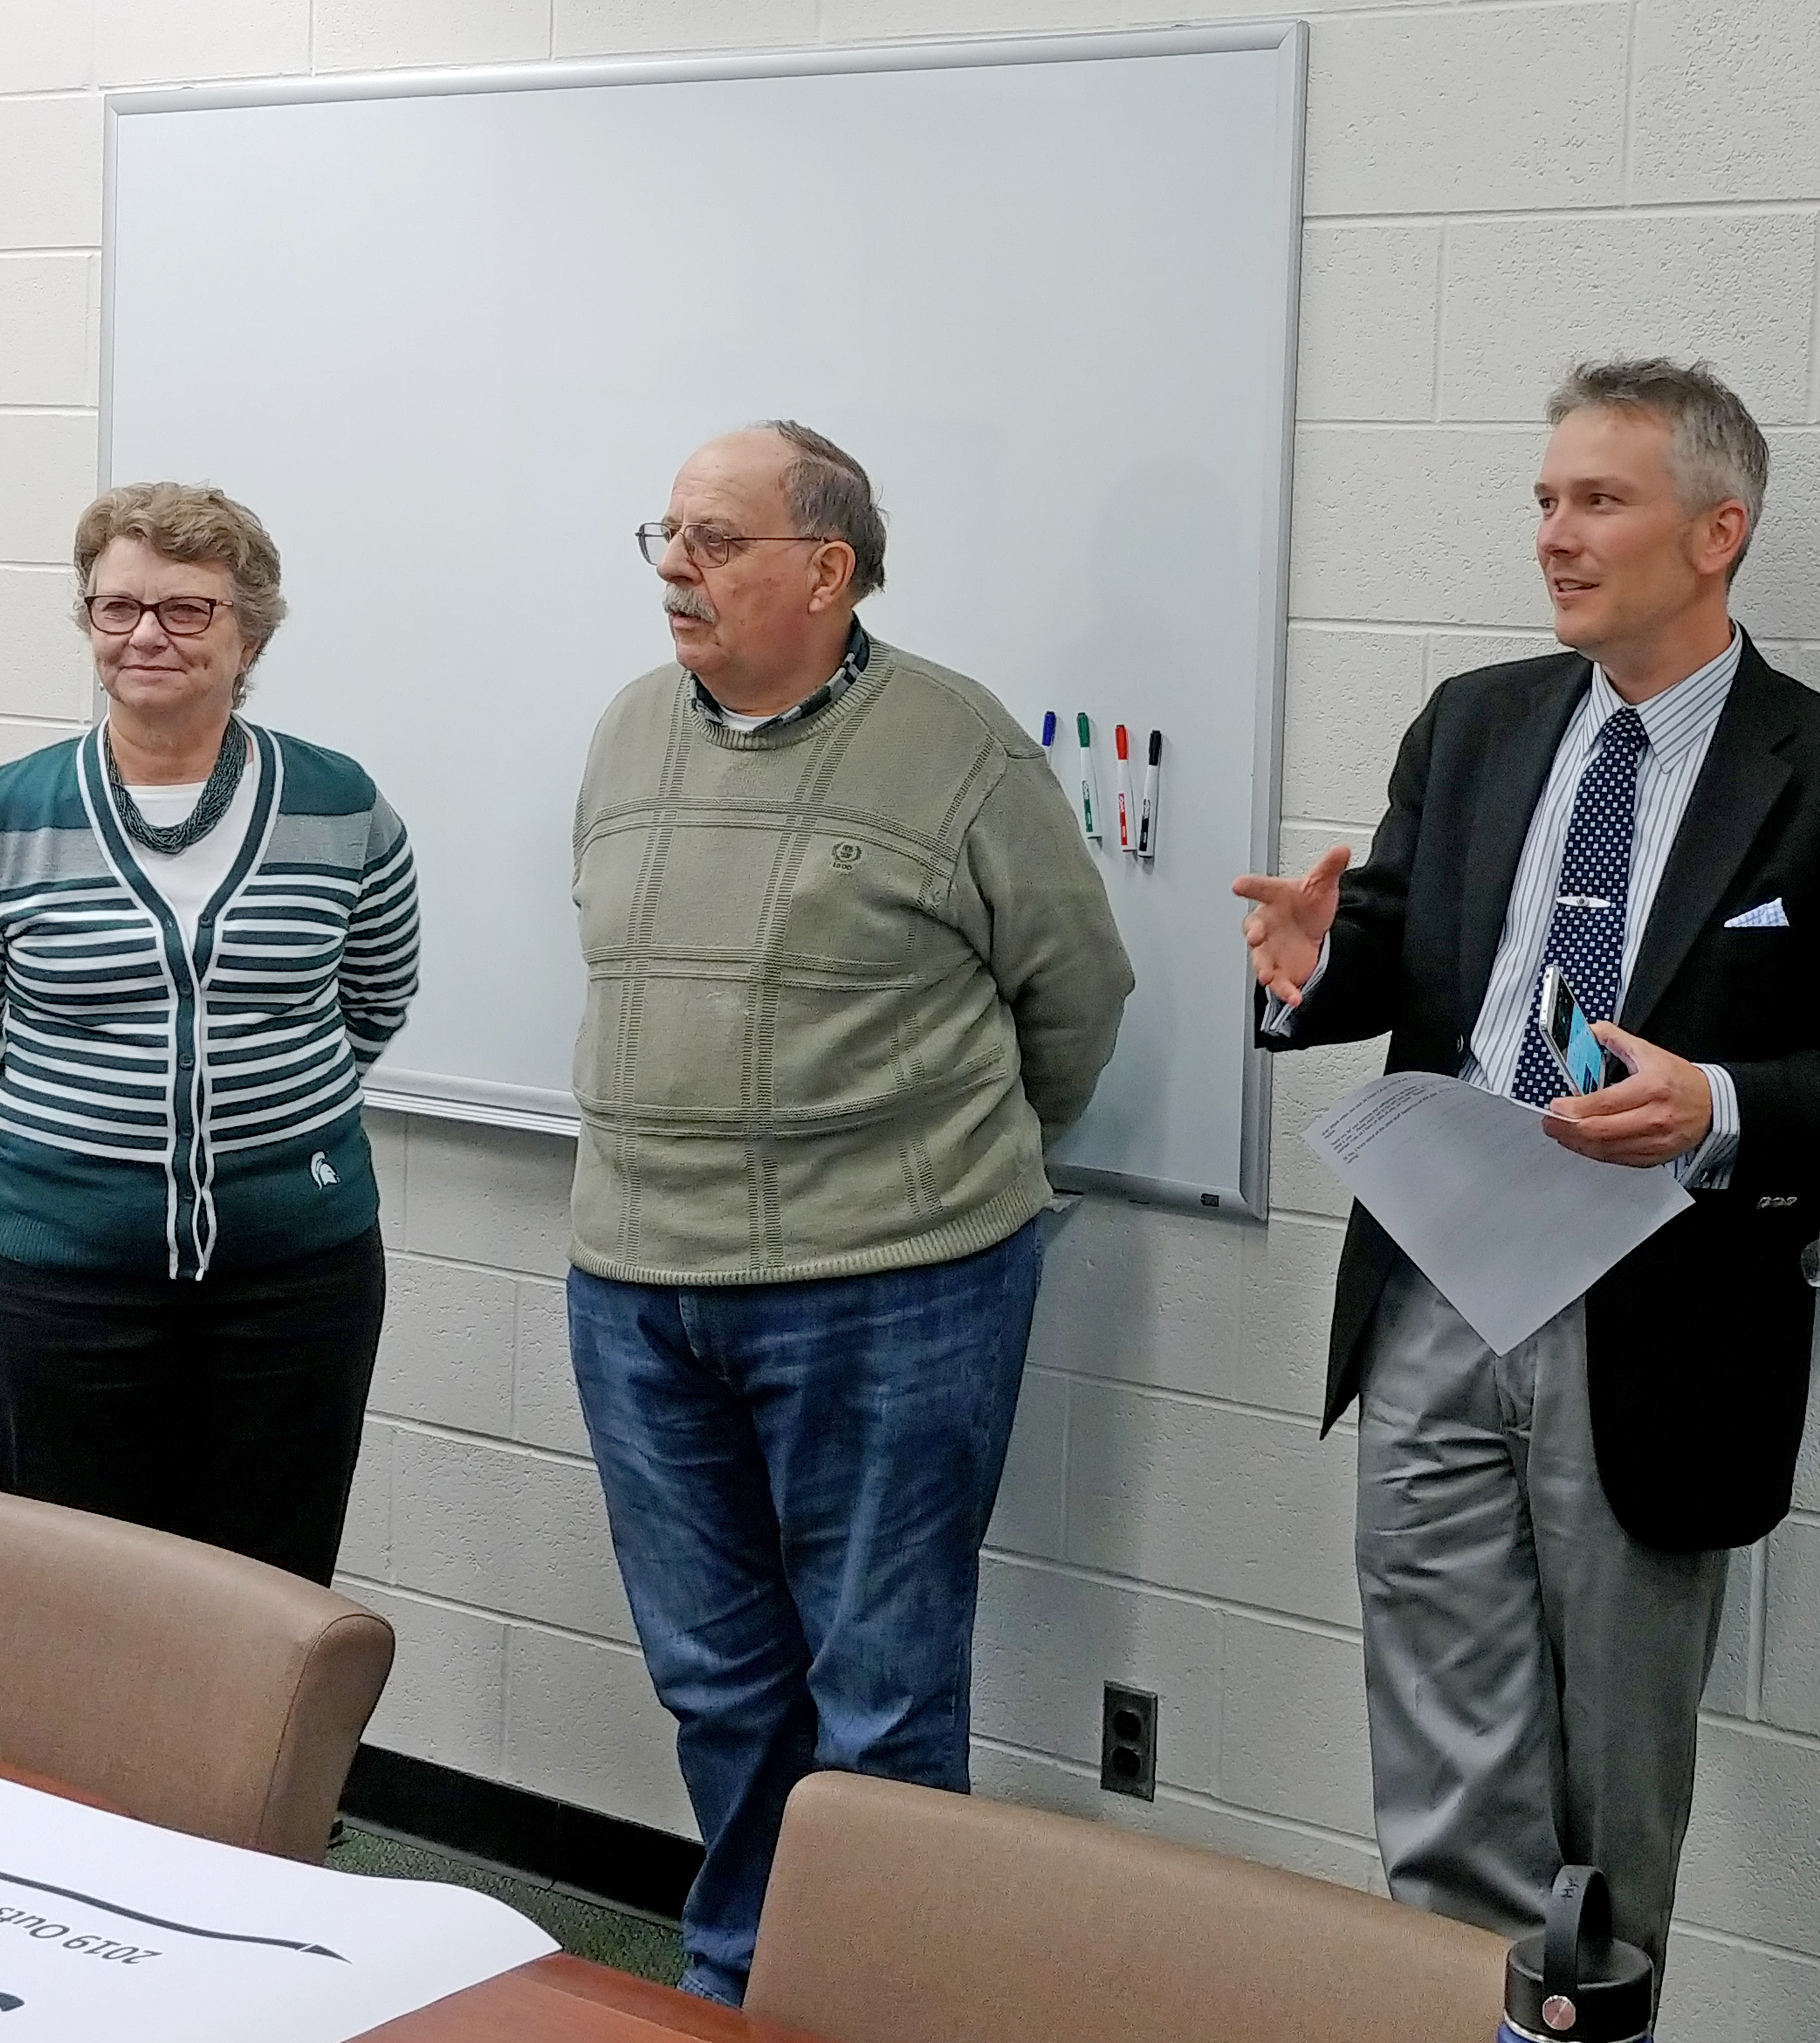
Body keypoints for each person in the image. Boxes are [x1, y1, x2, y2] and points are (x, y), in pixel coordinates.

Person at [1234, 359, 1820, 1970]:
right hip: (1435, 1281)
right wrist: (1310, 970)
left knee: (1609, 1809)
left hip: (1651, 1314)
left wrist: (1722, 1106)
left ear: (1717, 532)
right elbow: (1403, 949)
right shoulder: (1474, 723)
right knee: (1437, 1765)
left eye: (1597, 501)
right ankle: (1456, 2014)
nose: (1554, 535)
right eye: (1545, 500)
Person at [568, 421, 1130, 2006]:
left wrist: (940, 1175)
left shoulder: (956, 747)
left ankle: (881, 2000)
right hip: (636, 1284)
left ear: (828, 569)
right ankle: (747, 1974)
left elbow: (1073, 1001)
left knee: (880, 1691)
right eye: (665, 534)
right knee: (718, 1683)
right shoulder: (626, 732)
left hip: (889, 1287)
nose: (676, 566)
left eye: (716, 539)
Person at [0, 482, 419, 1586]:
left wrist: (260, 1116)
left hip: (296, 1279)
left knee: (269, 1593)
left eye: (187, 610)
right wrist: (82, 1121)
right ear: (88, 620)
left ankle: (252, 1772)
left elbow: (371, 998)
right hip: (59, 1278)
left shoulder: (342, 806)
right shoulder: (0, 816)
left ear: (249, 632)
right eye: (117, 606)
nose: (146, 635)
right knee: (80, 1590)